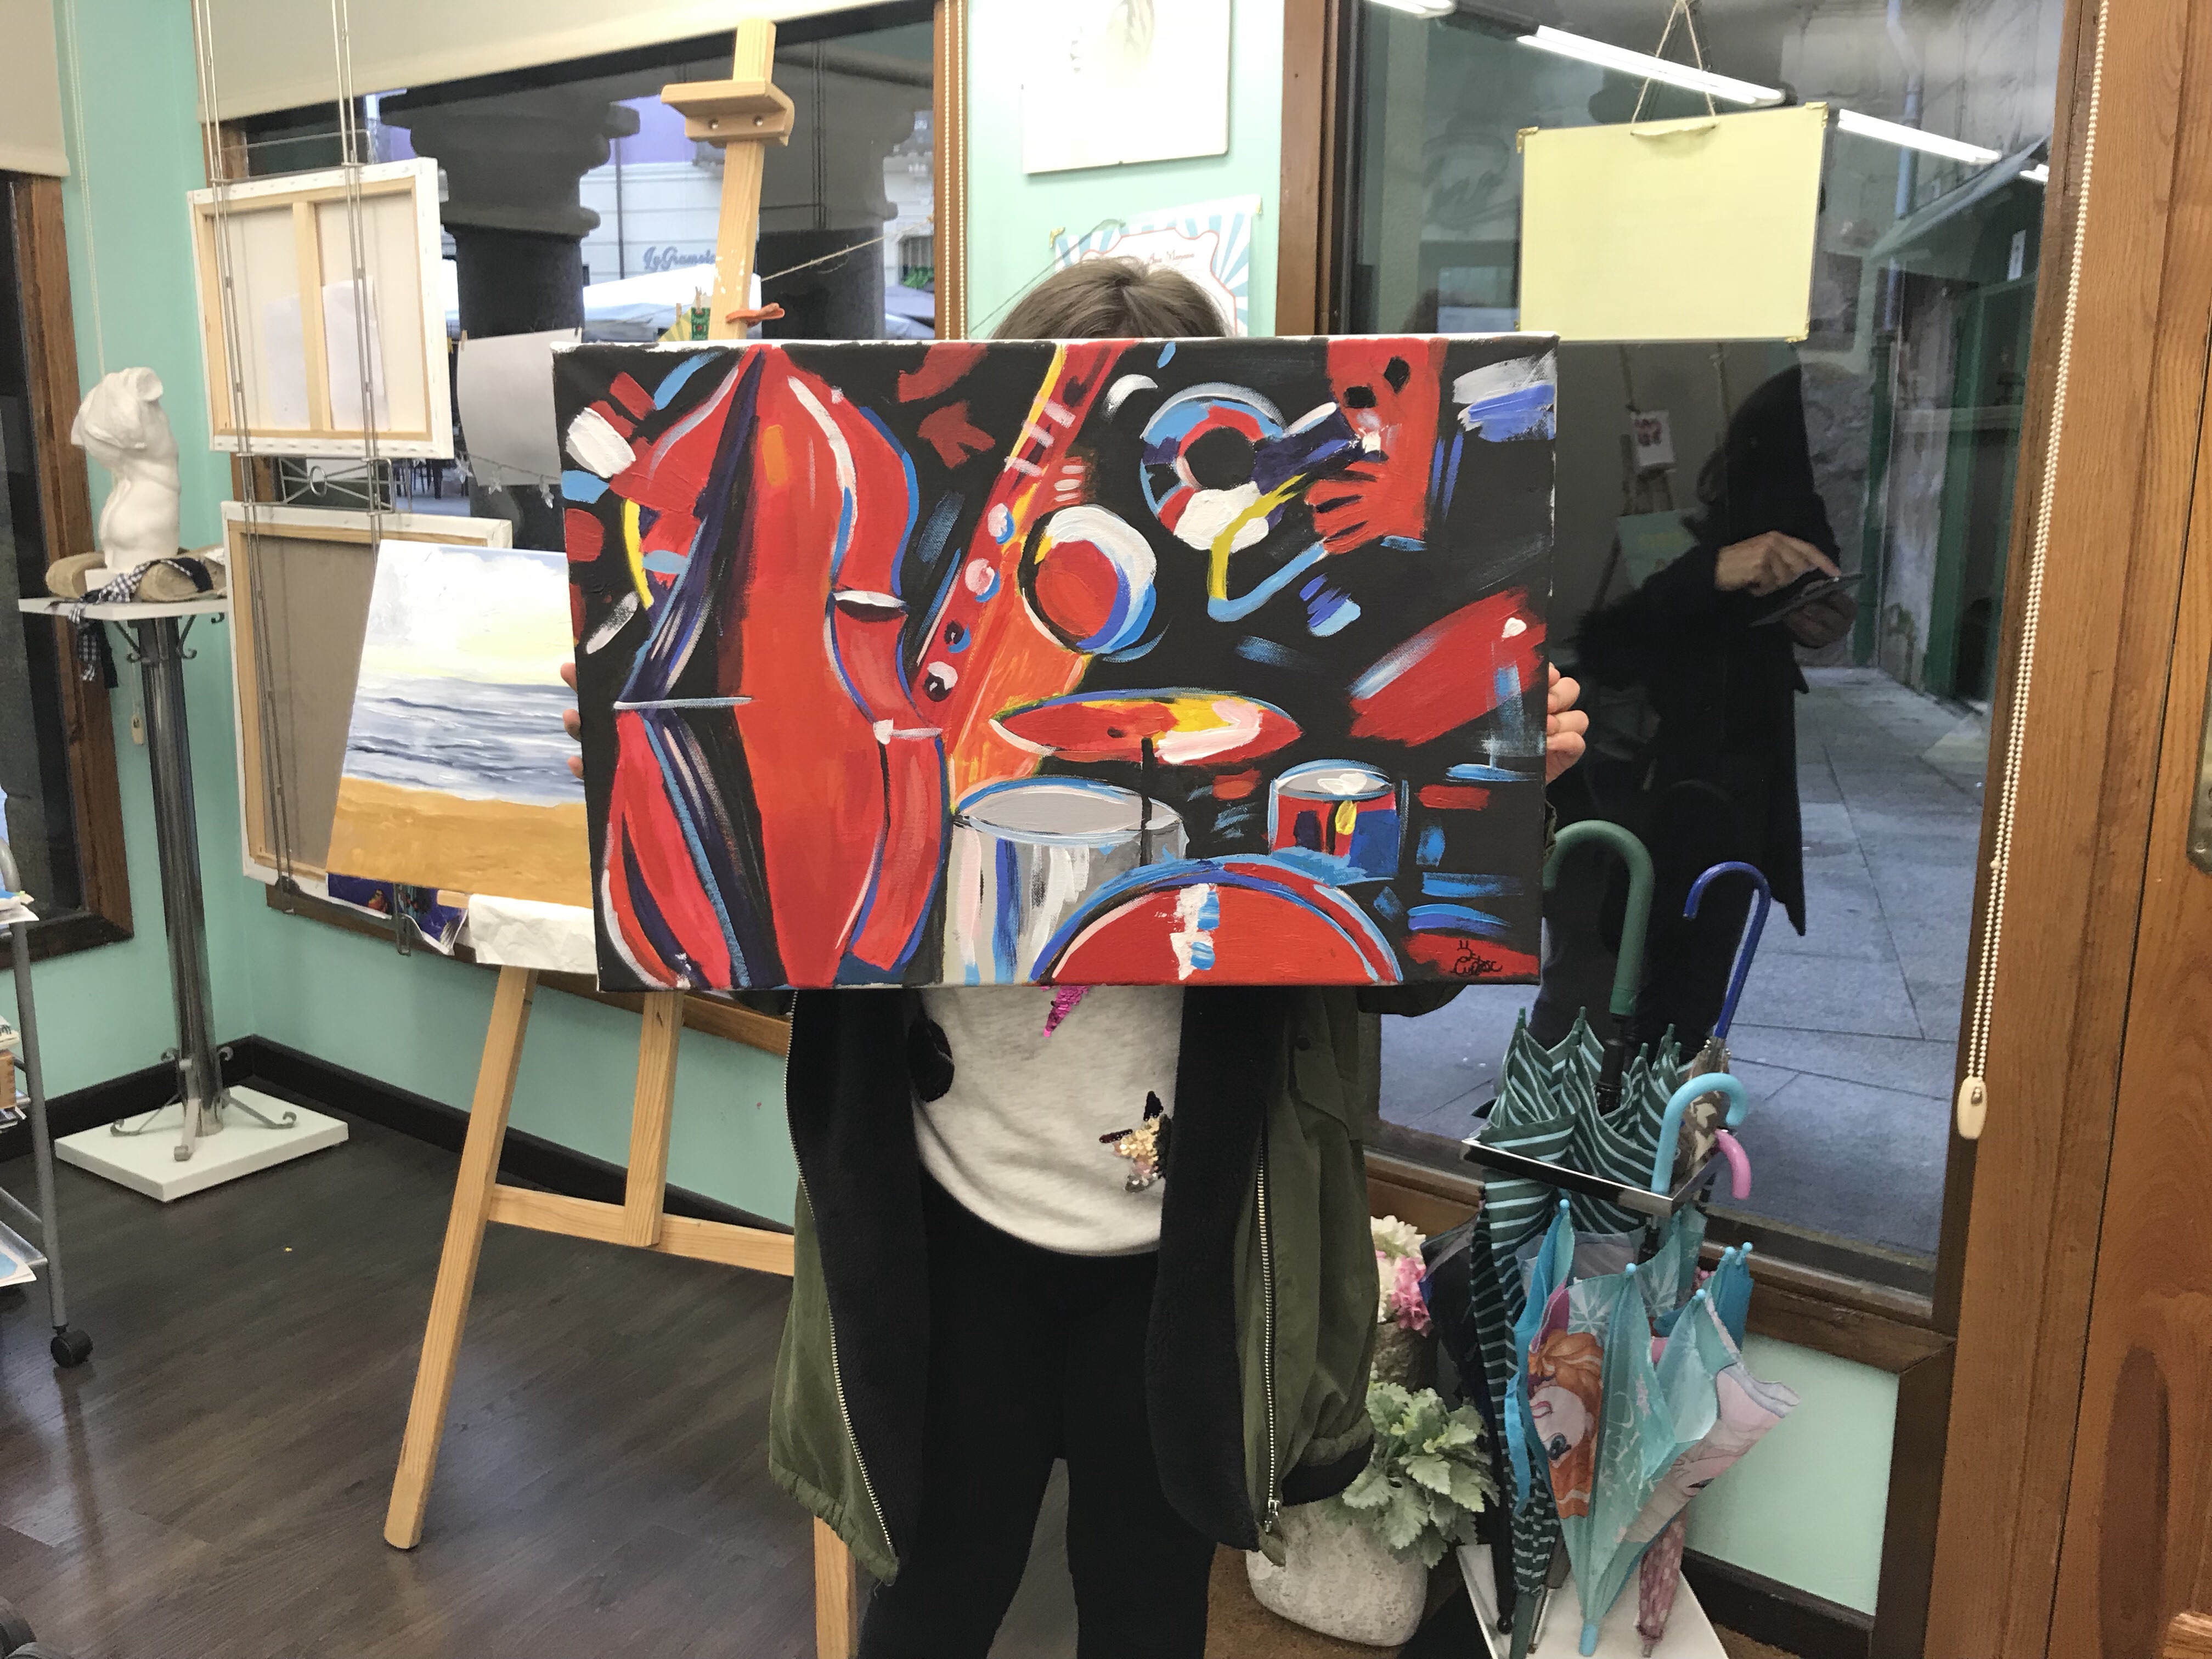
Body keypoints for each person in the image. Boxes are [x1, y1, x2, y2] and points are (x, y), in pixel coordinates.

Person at [565, 259, 1587, 1657]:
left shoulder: (1282, 686)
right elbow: (758, 953)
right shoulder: (903, 673)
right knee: (934, 1598)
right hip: (951, 1236)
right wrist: (640, 760)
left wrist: (1502, 791)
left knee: (1147, 1610)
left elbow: (1399, 971)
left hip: (1181, 1264)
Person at [1542, 363, 1849, 1051]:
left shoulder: (1779, 493)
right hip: (1621, 769)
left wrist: (1817, 619)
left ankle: (1660, 1105)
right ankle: (1565, 1113)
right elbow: (1594, 640)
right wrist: (1708, 573)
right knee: (1593, 982)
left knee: (1694, 989)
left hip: (1731, 776)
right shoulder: (1598, 447)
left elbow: (1802, 590)